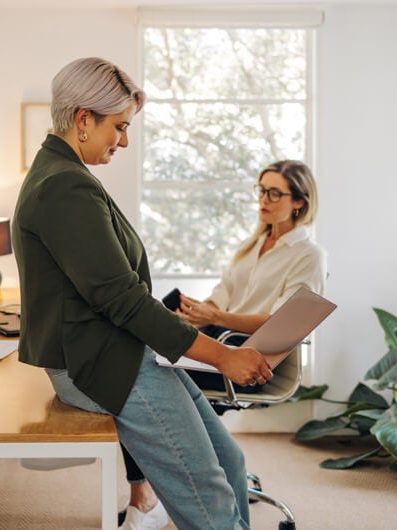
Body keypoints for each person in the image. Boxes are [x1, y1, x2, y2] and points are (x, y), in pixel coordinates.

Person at [11, 57, 271, 530]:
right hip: (100, 364)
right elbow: (121, 298)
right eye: (120, 127)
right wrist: (221, 357)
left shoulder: (64, 174)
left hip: (121, 352)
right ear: (84, 118)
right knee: (207, 493)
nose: (124, 141)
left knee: (229, 464)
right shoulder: (64, 185)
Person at [117, 160, 327, 525]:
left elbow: (284, 320)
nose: (263, 199)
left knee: (140, 381)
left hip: (259, 360)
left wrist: (215, 319)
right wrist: (196, 315)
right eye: (261, 190)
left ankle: (148, 495)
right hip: (223, 344)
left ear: (300, 202)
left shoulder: (308, 255)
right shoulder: (252, 246)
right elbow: (221, 297)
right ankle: (149, 491)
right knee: (137, 353)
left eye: (274, 192)